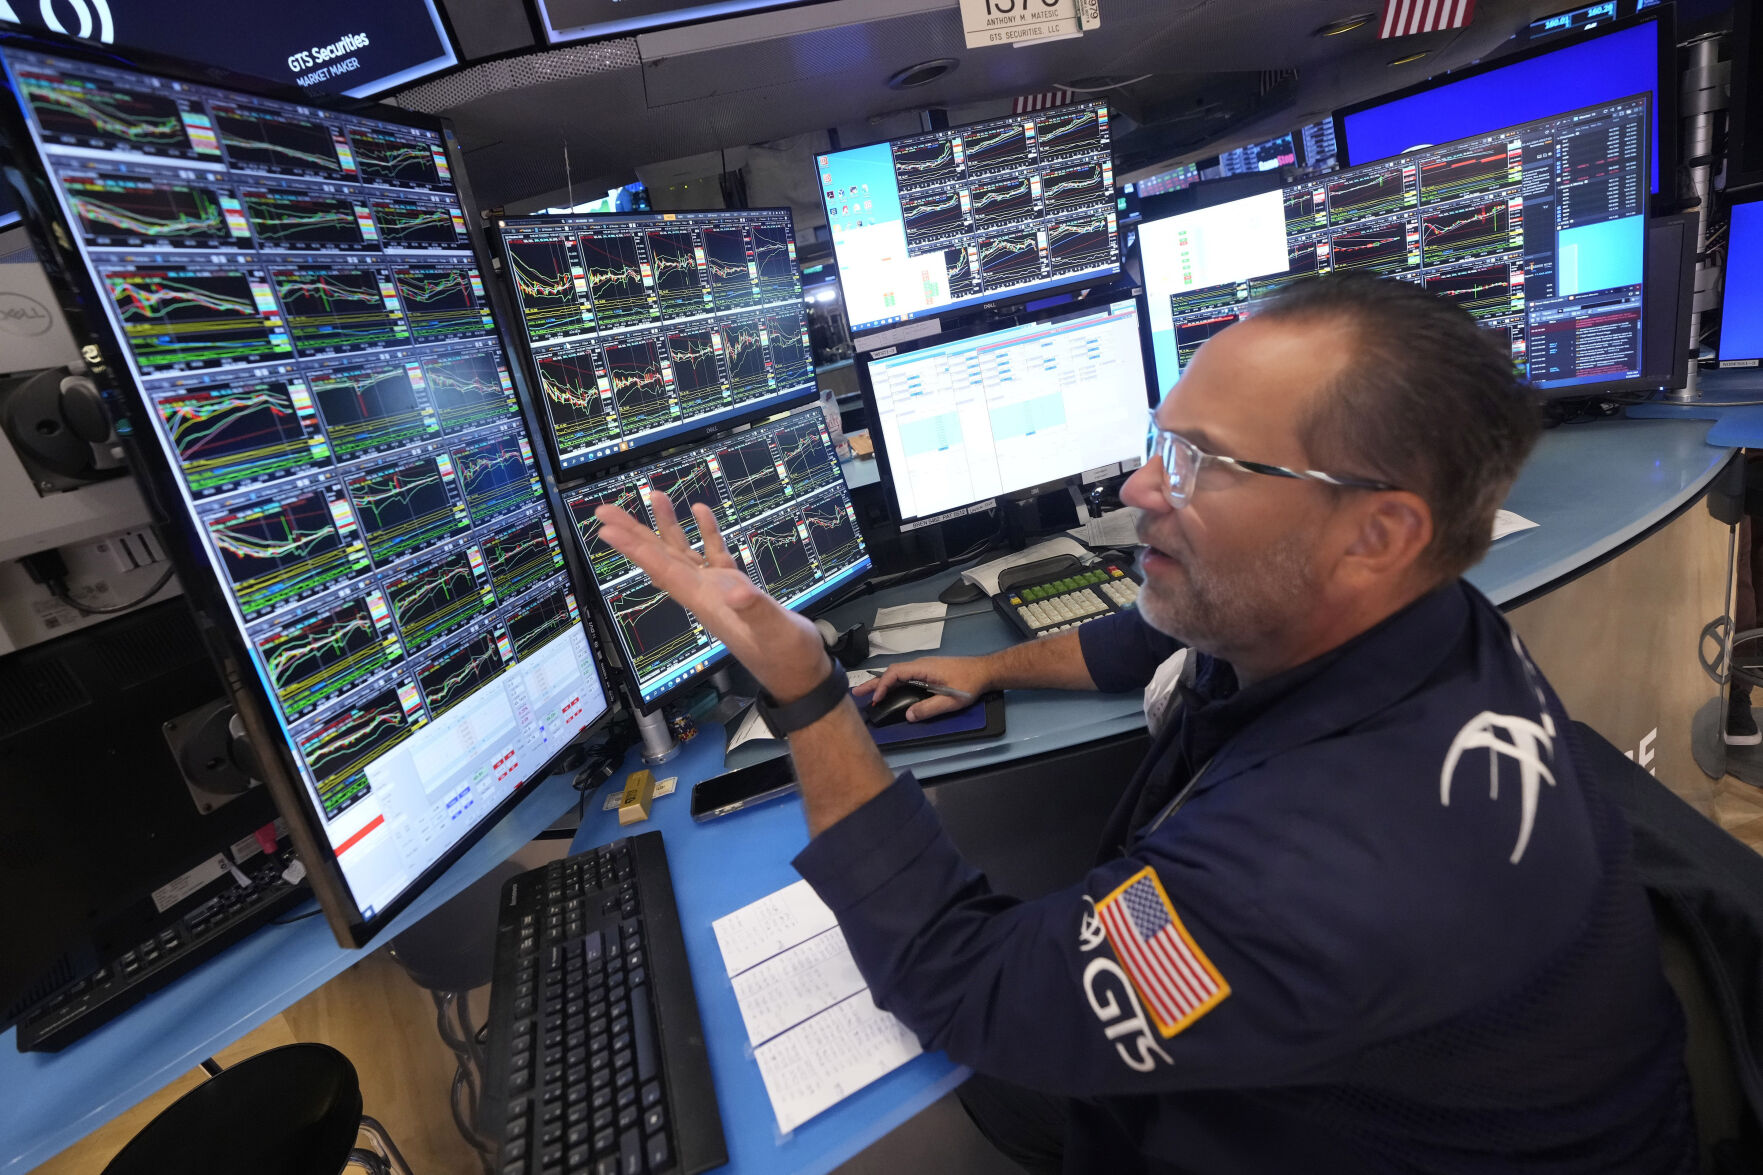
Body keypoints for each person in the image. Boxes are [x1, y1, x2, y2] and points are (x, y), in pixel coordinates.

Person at [593, 274, 1695, 1173]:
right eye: (1161, 440)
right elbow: (1148, 641)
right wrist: (990, 667)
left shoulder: (1313, 874)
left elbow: (960, 982)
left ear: (1377, 532)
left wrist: (805, 687)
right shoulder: (1410, 615)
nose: (1138, 485)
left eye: (1202, 463)